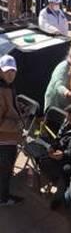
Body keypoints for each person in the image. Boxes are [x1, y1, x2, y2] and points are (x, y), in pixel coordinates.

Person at [0, 55, 22, 206]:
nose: (11, 74)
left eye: (13, 71)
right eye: (7, 71)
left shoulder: (7, 86)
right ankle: (3, 199)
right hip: (4, 140)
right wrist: (17, 125)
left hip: (8, 138)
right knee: (5, 171)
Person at [44, 46, 71, 112]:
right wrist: (68, 94)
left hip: (66, 104)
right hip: (55, 104)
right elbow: (58, 86)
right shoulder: (63, 67)